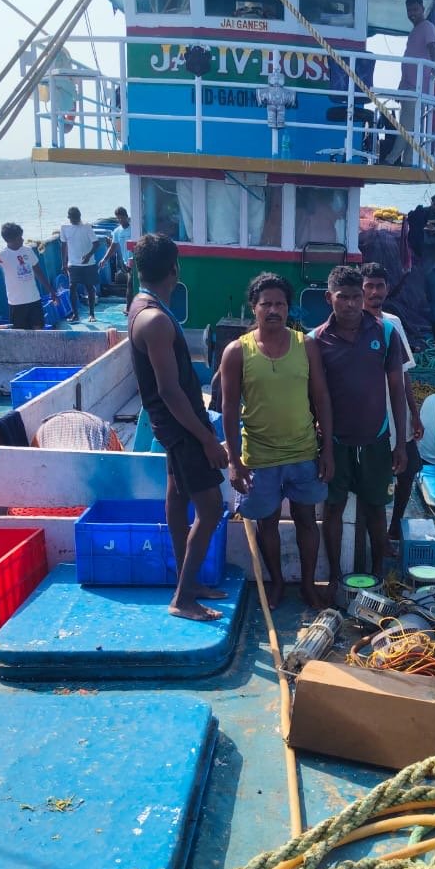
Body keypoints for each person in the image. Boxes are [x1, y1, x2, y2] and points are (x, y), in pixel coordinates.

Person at [128, 233, 229, 622]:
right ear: (175, 269)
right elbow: (169, 390)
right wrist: (207, 440)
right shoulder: (155, 320)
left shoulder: (139, 306)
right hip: (182, 424)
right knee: (211, 507)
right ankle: (184, 599)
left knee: (177, 496)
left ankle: (188, 582)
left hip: (170, 425)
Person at [220, 273, 334, 610]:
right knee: (266, 523)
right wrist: (234, 460)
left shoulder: (306, 345)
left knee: (306, 520)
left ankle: (309, 585)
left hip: (303, 452)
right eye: (266, 304)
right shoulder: (236, 352)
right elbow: (228, 409)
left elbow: (321, 397)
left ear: (288, 308)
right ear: (253, 307)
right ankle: (277, 583)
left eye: (280, 304)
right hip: (259, 456)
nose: (273, 310)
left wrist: (327, 450)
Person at [313, 265, 406, 598]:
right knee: (333, 509)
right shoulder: (316, 340)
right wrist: (324, 446)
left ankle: (377, 571)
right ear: (329, 298)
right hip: (335, 442)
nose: (351, 304)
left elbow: (396, 388)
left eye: (356, 297)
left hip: (376, 439)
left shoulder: (386, 332)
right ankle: (335, 575)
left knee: (376, 507)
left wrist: (400, 443)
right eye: (343, 297)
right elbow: (315, 395)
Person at [360, 262, 424, 544]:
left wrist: (415, 413)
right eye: (369, 286)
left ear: (387, 289)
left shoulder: (394, 323)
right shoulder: (351, 325)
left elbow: (405, 372)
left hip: (398, 415)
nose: (375, 292)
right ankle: (369, 533)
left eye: (380, 286)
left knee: (408, 471)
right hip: (367, 419)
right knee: (372, 480)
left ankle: (395, 524)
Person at [385, 0, 435, 167]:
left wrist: (434, 69)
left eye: (415, 9)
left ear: (423, 9)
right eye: (409, 10)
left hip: (416, 88)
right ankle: (408, 162)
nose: (412, 13)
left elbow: (432, 48)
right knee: (411, 128)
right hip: (408, 87)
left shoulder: (427, 27)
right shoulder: (415, 30)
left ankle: (390, 160)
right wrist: (400, 88)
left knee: (406, 128)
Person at [0, 222, 56, 330]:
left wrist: (51, 291)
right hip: (16, 302)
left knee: (39, 329)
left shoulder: (28, 250)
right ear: (10, 240)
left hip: (34, 299)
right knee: (20, 332)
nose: (22, 240)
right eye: (19, 238)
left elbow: (38, 272)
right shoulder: (2, 254)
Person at [59, 206, 99, 322]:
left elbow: (96, 244)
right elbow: (63, 245)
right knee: (72, 287)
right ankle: (75, 314)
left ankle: (92, 314)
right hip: (73, 264)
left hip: (89, 264)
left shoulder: (87, 227)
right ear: (69, 218)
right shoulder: (64, 227)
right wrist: (64, 263)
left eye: (77, 218)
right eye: (74, 218)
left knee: (89, 287)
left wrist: (88, 255)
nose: (76, 220)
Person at [110, 206, 134, 304]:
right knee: (130, 284)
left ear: (126, 217)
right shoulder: (117, 231)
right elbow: (113, 246)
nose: (120, 220)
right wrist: (104, 259)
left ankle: (130, 306)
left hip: (137, 261)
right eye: (118, 218)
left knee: (131, 283)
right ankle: (129, 306)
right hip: (126, 262)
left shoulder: (134, 229)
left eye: (122, 217)